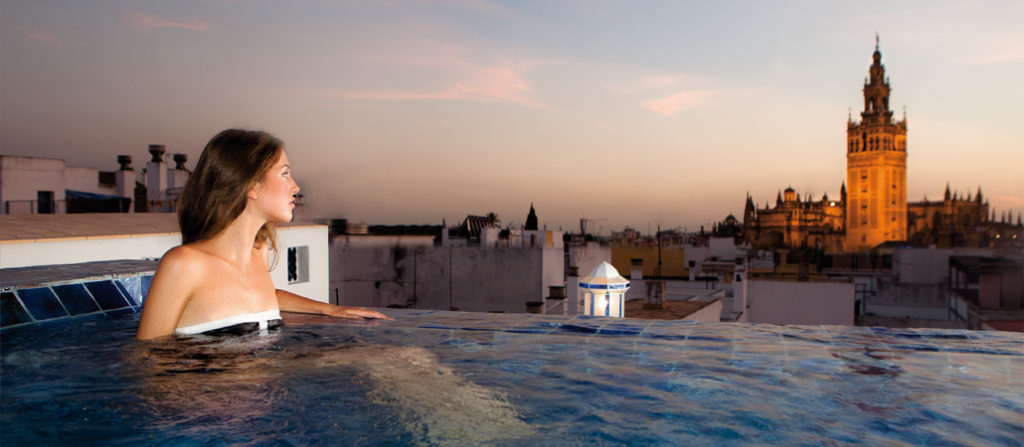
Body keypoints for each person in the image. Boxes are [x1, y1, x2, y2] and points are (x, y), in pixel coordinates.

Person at [137, 129, 390, 340]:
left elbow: (265, 297)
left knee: (397, 359)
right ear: (251, 186)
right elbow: (149, 361)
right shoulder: (184, 264)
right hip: (215, 397)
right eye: (284, 174)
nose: (295, 187)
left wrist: (333, 310)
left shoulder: (258, 252)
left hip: (264, 391)